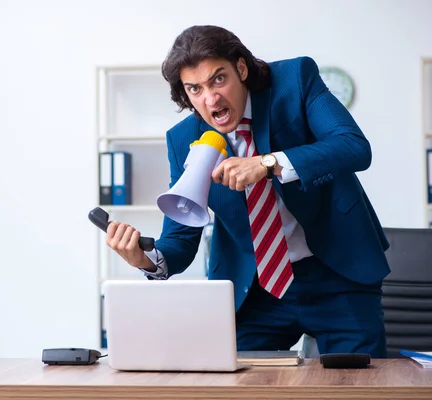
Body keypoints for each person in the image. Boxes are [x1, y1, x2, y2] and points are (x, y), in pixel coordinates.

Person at [105, 25, 389, 357]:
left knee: (358, 385)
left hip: (338, 272)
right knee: (233, 384)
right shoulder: (183, 139)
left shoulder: (294, 81)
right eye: (195, 89)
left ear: (241, 68)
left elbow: (353, 147)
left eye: (218, 80)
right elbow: (181, 239)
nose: (210, 99)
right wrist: (147, 259)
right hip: (257, 288)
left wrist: (268, 163)